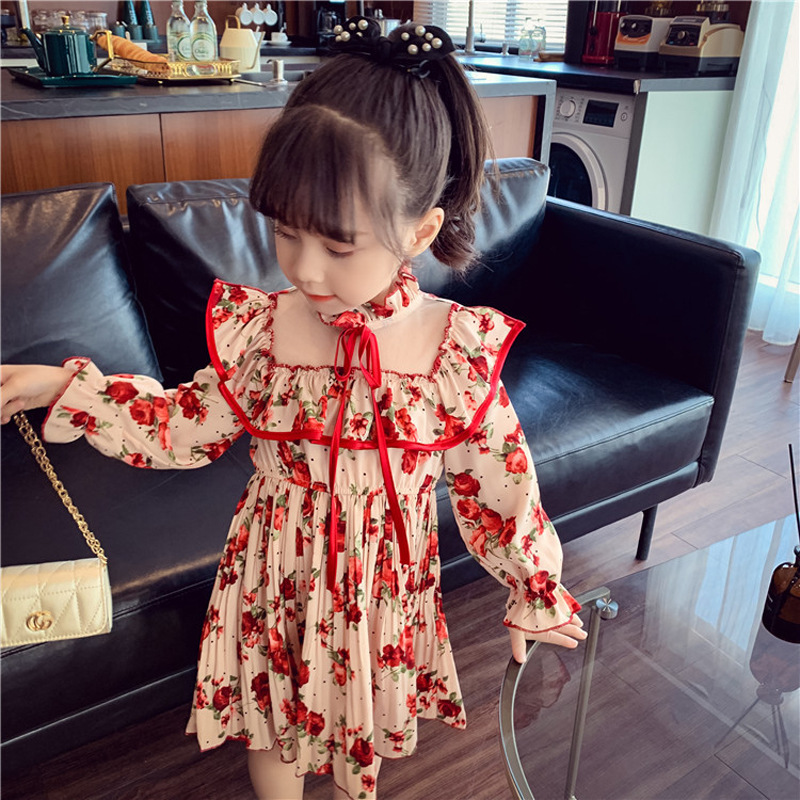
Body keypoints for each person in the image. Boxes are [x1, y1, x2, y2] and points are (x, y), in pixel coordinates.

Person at [0, 18, 586, 800]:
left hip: (381, 589)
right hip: (272, 573)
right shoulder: (265, 333)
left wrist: (534, 591)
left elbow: (501, 488)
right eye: (284, 232)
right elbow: (181, 425)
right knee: (273, 729)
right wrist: (65, 388)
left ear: (420, 231)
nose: (304, 269)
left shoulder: (455, 354)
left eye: (339, 247)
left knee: (359, 737)